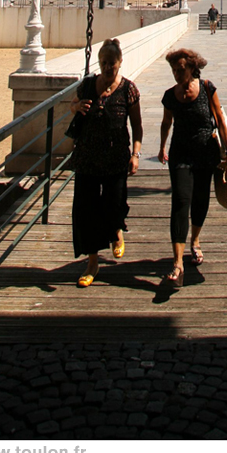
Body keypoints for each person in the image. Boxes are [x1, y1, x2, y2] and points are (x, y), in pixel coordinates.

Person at [68, 38, 143, 287]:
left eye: (111, 63)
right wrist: (77, 106)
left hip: (116, 157)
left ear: (120, 63)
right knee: (86, 210)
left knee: (114, 204)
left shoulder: (128, 90)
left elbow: (137, 126)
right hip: (87, 156)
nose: (107, 67)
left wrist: (136, 154)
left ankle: (116, 231)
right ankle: (92, 262)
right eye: (103, 63)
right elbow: (72, 106)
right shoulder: (88, 85)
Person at [157, 47, 227, 287]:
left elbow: (220, 120)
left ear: (192, 68)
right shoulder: (170, 95)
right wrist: (161, 148)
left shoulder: (208, 88)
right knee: (180, 201)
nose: (177, 74)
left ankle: (195, 241)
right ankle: (177, 263)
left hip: (205, 154)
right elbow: (166, 122)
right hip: (180, 153)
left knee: (200, 200)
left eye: (181, 70)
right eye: (173, 70)